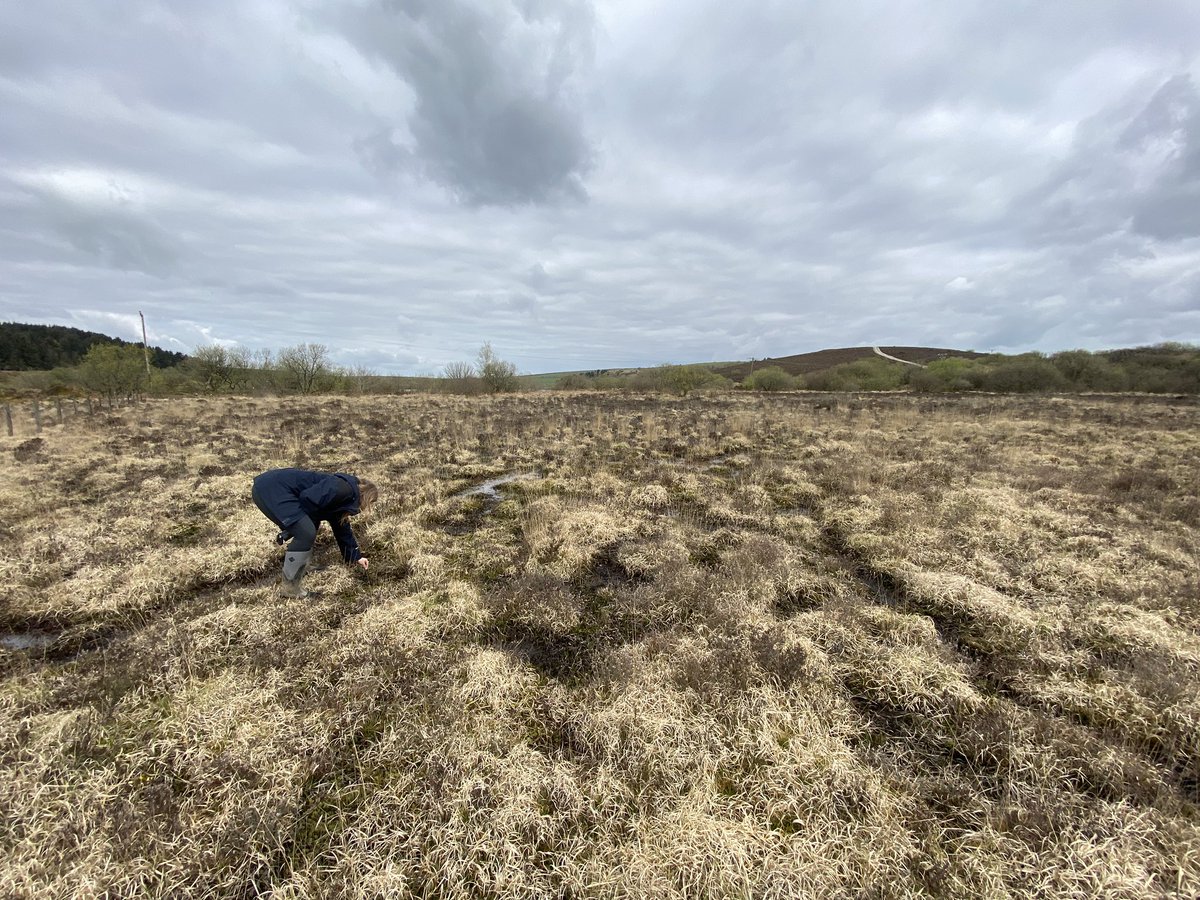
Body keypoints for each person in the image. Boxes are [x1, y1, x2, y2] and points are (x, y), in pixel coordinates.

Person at [251, 468, 379, 598]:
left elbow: (342, 528)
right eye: (370, 503)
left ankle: (302, 566)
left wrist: (355, 557)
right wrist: (296, 528)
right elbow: (307, 498)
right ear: (366, 497)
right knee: (305, 532)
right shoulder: (341, 489)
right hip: (270, 489)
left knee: (307, 528)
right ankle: (290, 589)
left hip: (271, 487)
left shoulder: (346, 497)